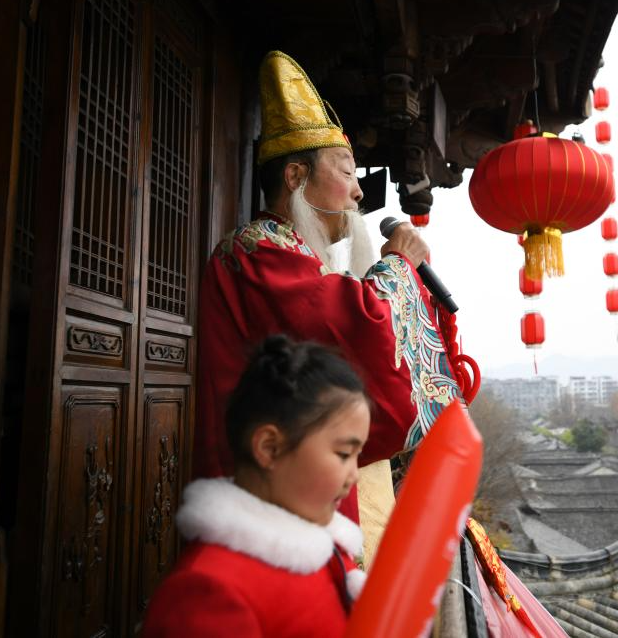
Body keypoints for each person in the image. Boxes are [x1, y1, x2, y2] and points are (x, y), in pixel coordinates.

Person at [194, 51, 463, 552]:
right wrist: (400, 265)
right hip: (270, 488)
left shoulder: (288, 252)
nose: (359, 193)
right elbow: (354, 325)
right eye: (347, 172)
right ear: (296, 177)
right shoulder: (256, 249)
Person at [144, 336, 370, 637]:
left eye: (357, 455)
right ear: (269, 448)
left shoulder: (328, 551)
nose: (354, 475)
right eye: (343, 454)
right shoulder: (210, 592)